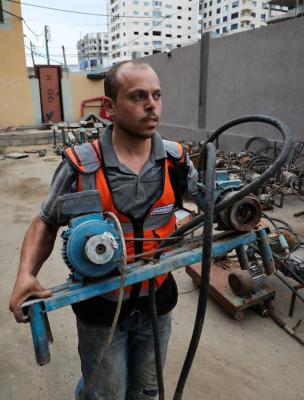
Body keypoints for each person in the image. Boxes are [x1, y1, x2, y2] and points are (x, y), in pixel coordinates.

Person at [9, 60, 199, 400]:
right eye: (138, 96)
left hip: (158, 303)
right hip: (100, 308)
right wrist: (25, 274)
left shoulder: (177, 160)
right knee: (105, 393)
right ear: (109, 108)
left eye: (156, 95)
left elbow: (214, 202)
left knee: (147, 390)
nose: (151, 104)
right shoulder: (80, 166)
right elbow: (46, 221)